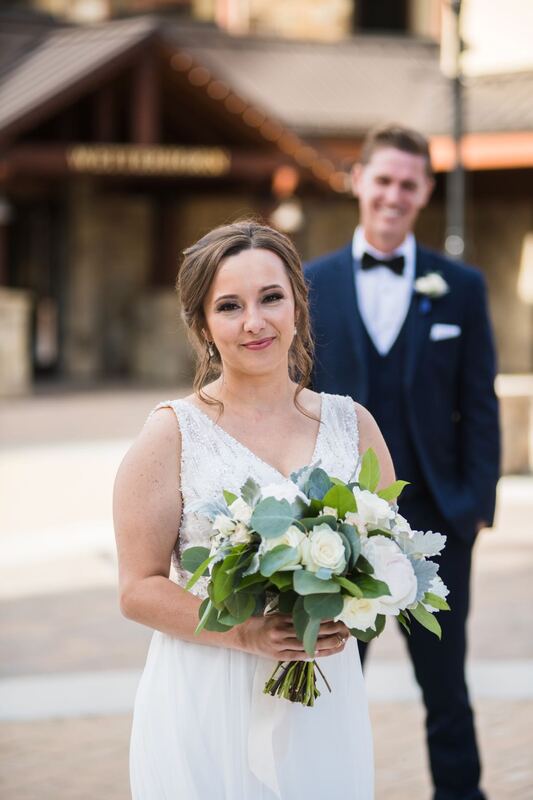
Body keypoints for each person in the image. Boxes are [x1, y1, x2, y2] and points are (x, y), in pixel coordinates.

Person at [114, 220, 395, 799]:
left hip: (323, 696)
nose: (254, 322)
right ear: (202, 324)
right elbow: (137, 588)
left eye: (271, 298)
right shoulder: (172, 434)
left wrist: (348, 605)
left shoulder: (353, 424)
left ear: (298, 303)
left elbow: (386, 561)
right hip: (207, 692)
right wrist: (246, 633)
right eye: (229, 306)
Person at [305, 125, 500, 800]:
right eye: (382, 180)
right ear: (358, 180)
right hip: (335, 526)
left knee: (445, 685)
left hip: (437, 519)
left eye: (407, 184)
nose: (393, 195)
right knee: (331, 680)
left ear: (425, 192)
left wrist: (473, 507)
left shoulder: (461, 287)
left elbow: (479, 404)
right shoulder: (309, 283)